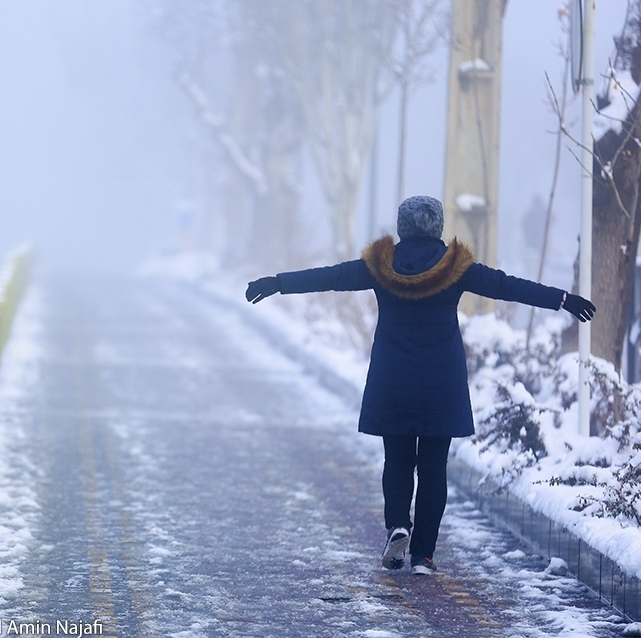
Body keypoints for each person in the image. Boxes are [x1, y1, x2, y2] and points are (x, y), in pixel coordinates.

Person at [245, 196, 595, 575]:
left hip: (392, 378)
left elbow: (330, 277)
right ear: (438, 226)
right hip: (441, 381)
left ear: (402, 226)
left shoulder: (380, 266)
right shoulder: (457, 269)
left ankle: (398, 525)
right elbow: (508, 287)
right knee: (433, 468)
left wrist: (277, 283)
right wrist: (562, 299)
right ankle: (423, 555)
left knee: (396, 460)